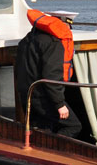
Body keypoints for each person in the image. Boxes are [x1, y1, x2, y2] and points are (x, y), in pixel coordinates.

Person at [15, 9, 82, 138]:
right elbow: (51, 75)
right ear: (63, 24)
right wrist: (59, 104)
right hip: (43, 96)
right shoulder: (54, 42)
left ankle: (39, 151)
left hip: (27, 94)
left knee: (40, 129)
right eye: (68, 26)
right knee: (73, 126)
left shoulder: (28, 39)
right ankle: (55, 151)